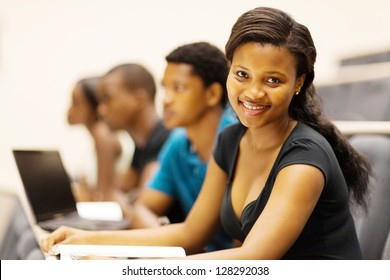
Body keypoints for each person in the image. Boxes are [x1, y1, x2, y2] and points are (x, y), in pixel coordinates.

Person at [41, 7, 372, 259]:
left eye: (273, 80)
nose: (253, 92)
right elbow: (191, 233)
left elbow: (253, 258)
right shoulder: (230, 141)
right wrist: (84, 238)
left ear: (298, 83)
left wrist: (135, 266)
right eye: (242, 74)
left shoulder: (305, 158)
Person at [130, 42, 237, 252]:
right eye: (165, 88)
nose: (166, 100)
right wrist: (162, 243)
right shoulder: (178, 141)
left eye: (178, 88)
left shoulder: (238, 139)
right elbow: (143, 207)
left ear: (213, 94)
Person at [98, 63, 170, 204]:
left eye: (107, 98)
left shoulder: (166, 140)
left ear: (138, 100)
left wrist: (128, 200)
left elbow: (141, 206)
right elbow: (114, 193)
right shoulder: (142, 144)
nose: (101, 110)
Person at [67, 77, 132, 202]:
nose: (69, 109)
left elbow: (104, 196)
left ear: (93, 106)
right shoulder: (99, 135)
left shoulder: (102, 134)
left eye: (76, 102)